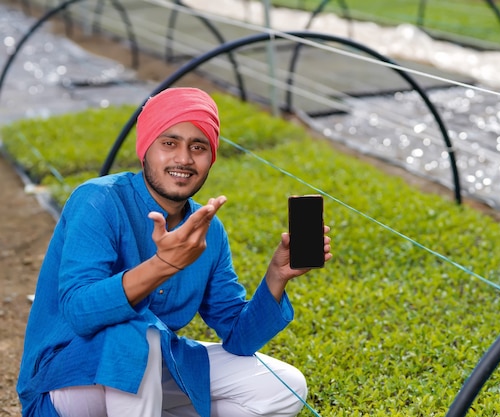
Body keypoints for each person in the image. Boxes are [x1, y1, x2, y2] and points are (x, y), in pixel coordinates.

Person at [16, 87, 332, 417]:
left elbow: (238, 338)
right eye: (170, 143)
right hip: (67, 382)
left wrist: (275, 277)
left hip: (150, 373)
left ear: (211, 158)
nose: (184, 158)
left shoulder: (207, 230)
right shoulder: (98, 200)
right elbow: (79, 310)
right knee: (138, 334)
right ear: (145, 149)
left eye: (198, 147)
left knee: (284, 385)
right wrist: (162, 265)